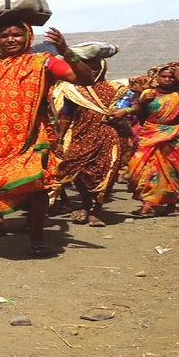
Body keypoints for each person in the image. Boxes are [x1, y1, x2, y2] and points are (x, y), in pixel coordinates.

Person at [0, 17, 95, 264]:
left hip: (29, 138)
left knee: (35, 187)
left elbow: (86, 79)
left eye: (16, 34)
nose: (10, 40)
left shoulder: (44, 62)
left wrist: (66, 51)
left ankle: (37, 237)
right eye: (4, 36)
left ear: (28, 36)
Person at [51, 52, 130, 227]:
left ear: (102, 69)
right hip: (82, 136)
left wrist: (127, 111)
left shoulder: (115, 88)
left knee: (107, 173)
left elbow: (139, 102)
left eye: (95, 69)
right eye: (86, 69)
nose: (91, 72)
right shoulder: (74, 91)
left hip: (110, 135)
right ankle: (86, 203)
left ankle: (96, 211)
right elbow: (65, 116)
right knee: (79, 171)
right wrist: (60, 139)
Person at [113, 65, 179, 217]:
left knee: (172, 170)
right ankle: (148, 202)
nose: (167, 79)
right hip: (151, 133)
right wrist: (142, 102)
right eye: (164, 76)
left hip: (174, 134)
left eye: (171, 77)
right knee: (142, 168)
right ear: (157, 78)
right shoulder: (148, 93)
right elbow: (140, 113)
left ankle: (170, 204)